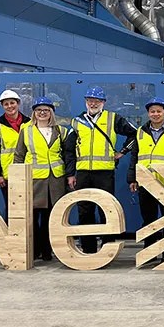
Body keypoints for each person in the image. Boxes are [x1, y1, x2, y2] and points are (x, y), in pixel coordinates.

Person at [64, 86, 137, 254]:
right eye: (90, 100)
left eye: (97, 100)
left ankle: (107, 248)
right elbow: (69, 150)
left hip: (105, 173)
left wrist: (123, 152)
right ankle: (88, 248)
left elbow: (135, 134)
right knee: (84, 210)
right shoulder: (77, 121)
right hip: (83, 173)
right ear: (86, 102)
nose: (93, 103)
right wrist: (70, 174)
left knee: (106, 210)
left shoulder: (113, 118)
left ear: (103, 102)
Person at [13, 97, 73, 262]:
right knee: (32, 216)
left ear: (51, 112)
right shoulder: (26, 130)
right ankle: (34, 250)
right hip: (34, 179)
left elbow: (67, 155)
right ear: (34, 112)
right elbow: (19, 155)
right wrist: (17, 178)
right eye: (39, 110)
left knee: (51, 216)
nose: (42, 113)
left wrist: (69, 175)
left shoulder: (61, 131)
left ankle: (48, 250)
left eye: (46, 110)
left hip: (55, 179)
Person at [127, 97, 164, 264]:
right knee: (148, 219)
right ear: (148, 114)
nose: (155, 114)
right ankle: (150, 253)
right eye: (152, 111)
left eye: (159, 111)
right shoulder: (140, 132)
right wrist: (132, 178)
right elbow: (134, 157)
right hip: (146, 182)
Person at [0, 89, 29, 212]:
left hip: (30, 171)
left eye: (12, 103)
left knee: (30, 208)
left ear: (18, 103)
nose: (10, 106)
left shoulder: (30, 123)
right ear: (2, 106)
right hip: (8, 175)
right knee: (13, 209)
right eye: (6, 104)